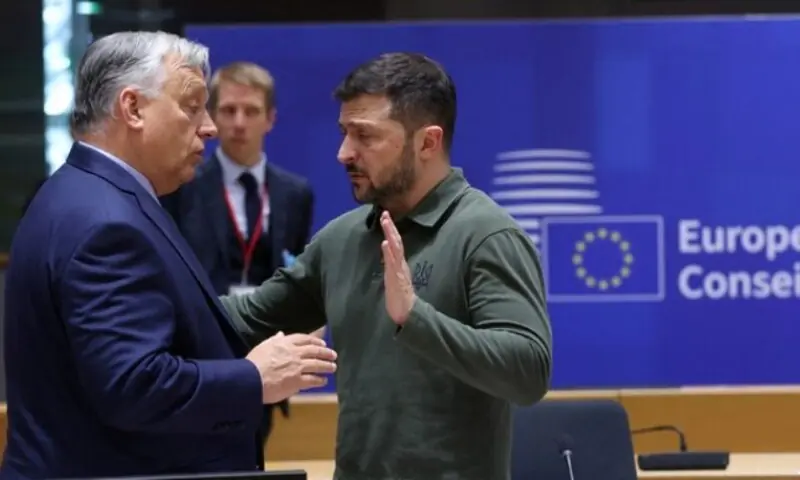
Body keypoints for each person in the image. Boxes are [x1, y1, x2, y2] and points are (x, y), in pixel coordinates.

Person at [0, 31, 336, 480]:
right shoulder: (105, 222)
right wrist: (254, 377)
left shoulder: (86, 193)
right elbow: (134, 385)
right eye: (192, 106)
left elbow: (160, 325)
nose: (210, 127)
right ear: (133, 108)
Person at [220, 52, 553, 480]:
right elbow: (243, 320)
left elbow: (528, 372)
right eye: (344, 133)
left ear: (427, 142)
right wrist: (143, 303)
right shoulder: (341, 239)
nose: (344, 153)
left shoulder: (486, 235)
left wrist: (416, 317)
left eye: (364, 136)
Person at [160, 61, 319, 461]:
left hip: (266, 345)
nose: (238, 122)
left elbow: (297, 271)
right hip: (200, 351)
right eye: (228, 110)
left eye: (250, 111)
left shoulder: (294, 193)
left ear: (271, 119)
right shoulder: (183, 185)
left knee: (252, 455)